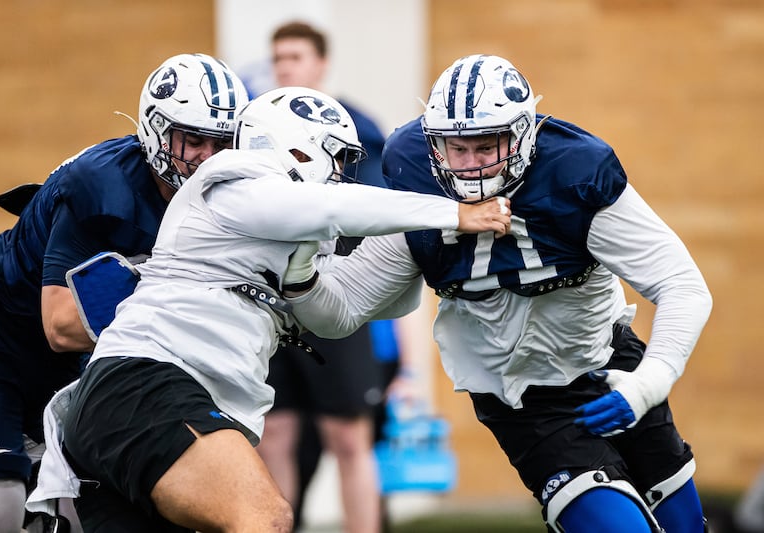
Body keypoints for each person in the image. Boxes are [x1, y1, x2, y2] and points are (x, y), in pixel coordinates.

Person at [27, 85, 512, 531]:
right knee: (265, 516)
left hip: (144, 398)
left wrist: (321, 277)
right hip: (146, 382)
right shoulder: (229, 180)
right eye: (335, 157)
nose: (339, 172)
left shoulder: (282, 233)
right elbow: (331, 206)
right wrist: (454, 212)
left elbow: (342, 313)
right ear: (295, 147)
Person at [282, 54, 713, 533]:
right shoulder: (414, 173)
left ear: (524, 135)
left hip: (608, 364)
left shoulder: (573, 170)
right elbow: (339, 312)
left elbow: (683, 285)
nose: (469, 167)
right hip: (520, 398)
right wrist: (300, 267)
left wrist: (648, 381)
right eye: (455, 148)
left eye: (486, 147)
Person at [0, 52, 249, 532]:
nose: (208, 158)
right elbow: (59, 324)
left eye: (222, 143)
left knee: (80, 509)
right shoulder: (101, 188)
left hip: (84, 359)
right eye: (194, 139)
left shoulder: (221, 198)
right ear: (157, 131)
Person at [258, 20, 398, 532]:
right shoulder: (258, 131)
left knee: (348, 440)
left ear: (320, 63)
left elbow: (382, 223)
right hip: (272, 308)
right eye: (278, 58)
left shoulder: (358, 130)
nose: (285, 67)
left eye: (294, 56)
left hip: (336, 301)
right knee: (274, 436)